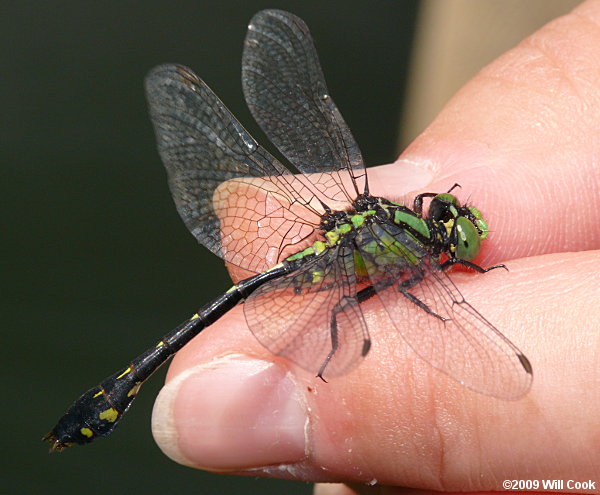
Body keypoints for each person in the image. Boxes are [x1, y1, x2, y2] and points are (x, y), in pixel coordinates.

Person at [150, 1, 600, 493]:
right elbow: (403, 296)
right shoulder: (414, 249)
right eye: (444, 218)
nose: (439, 216)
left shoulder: (388, 219)